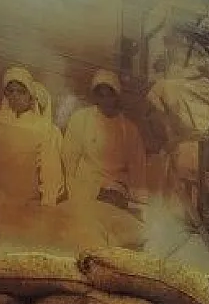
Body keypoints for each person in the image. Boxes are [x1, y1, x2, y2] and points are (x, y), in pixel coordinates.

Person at [0, 66, 65, 239]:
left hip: (24, 209)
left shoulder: (44, 129)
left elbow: (51, 175)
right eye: (10, 91)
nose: (15, 96)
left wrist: (47, 209)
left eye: (21, 92)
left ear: (30, 96)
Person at [62, 69, 149, 211]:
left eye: (110, 95)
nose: (105, 100)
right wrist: (73, 194)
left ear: (117, 96)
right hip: (84, 190)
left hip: (116, 194)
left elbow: (138, 171)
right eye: (101, 95)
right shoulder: (81, 119)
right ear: (95, 96)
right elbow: (69, 161)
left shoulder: (129, 129)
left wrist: (138, 204)